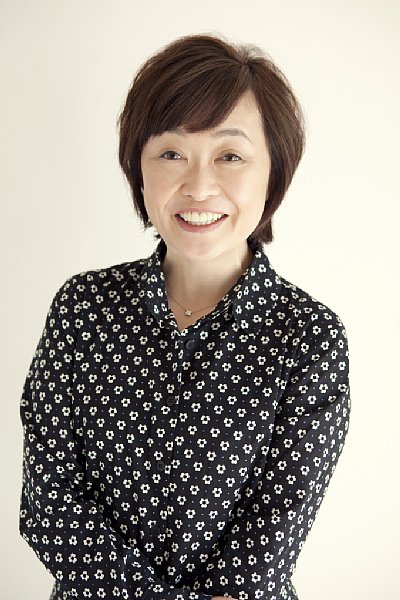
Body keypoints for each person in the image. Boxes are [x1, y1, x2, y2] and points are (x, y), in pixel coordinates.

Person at [19, 32, 351, 600]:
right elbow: (50, 500)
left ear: (273, 172)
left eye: (230, 155)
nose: (198, 186)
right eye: (171, 153)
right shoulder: (82, 308)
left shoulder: (308, 335)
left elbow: (276, 524)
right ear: (139, 169)